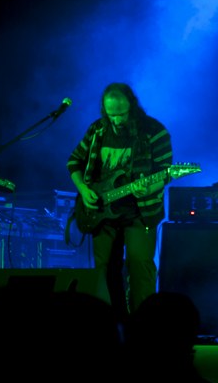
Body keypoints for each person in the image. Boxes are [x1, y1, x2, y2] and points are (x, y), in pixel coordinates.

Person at [67, 82, 173, 322]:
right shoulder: (97, 130)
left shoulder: (154, 131)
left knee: (140, 267)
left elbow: (165, 174)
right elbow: (74, 162)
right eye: (111, 114)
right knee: (103, 270)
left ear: (132, 107)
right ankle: (110, 324)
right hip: (102, 212)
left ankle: (144, 325)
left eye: (121, 114)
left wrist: (148, 188)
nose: (116, 121)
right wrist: (84, 189)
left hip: (140, 213)